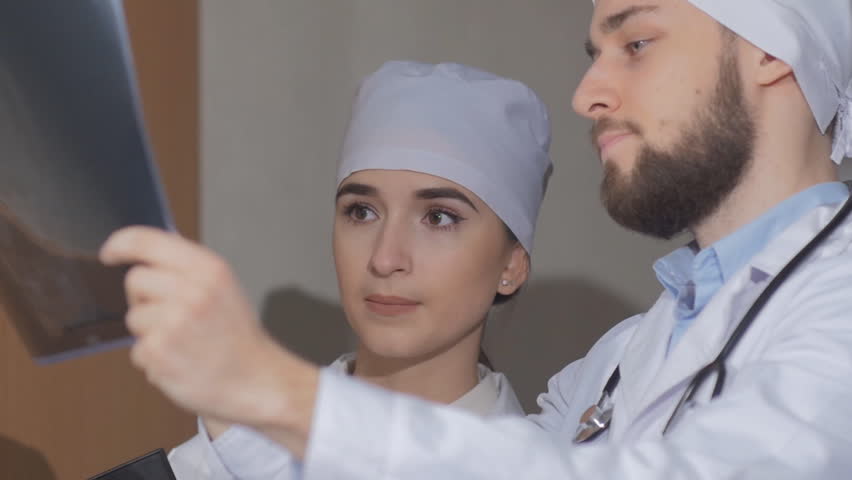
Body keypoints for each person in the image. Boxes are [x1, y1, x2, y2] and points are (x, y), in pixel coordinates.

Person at [100, 0, 852, 478]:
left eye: (636, 43)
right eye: (360, 210)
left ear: (770, 51)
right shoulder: (621, 358)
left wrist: (273, 388)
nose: (588, 93)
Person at [158, 61, 553, 478]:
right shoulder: (217, 458)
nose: (384, 258)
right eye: (361, 212)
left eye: (438, 217)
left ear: (511, 264)